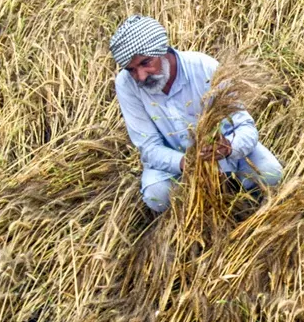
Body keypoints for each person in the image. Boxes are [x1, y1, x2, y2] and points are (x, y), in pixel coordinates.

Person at [109, 14, 284, 213]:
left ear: (162, 50)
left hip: (224, 154)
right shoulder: (126, 85)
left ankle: (242, 202)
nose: (140, 76)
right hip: (176, 165)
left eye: (146, 63)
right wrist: (186, 163)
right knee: (157, 196)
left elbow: (245, 126)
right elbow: (149, 147)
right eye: (132, 70)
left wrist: (227, 149)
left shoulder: (203, 67)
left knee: (270, 174)